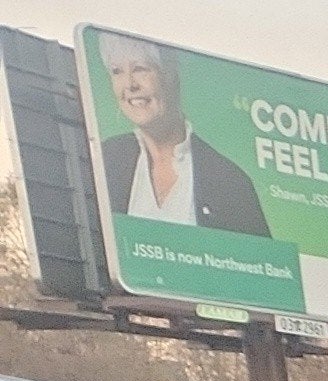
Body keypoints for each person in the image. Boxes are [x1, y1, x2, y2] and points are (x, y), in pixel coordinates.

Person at [93, 33, 269, 236]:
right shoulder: (104, 159)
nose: (130, 85)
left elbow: (262, 263)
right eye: (117, 72)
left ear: (170, 75)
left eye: (140, 69)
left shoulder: (230, 182)